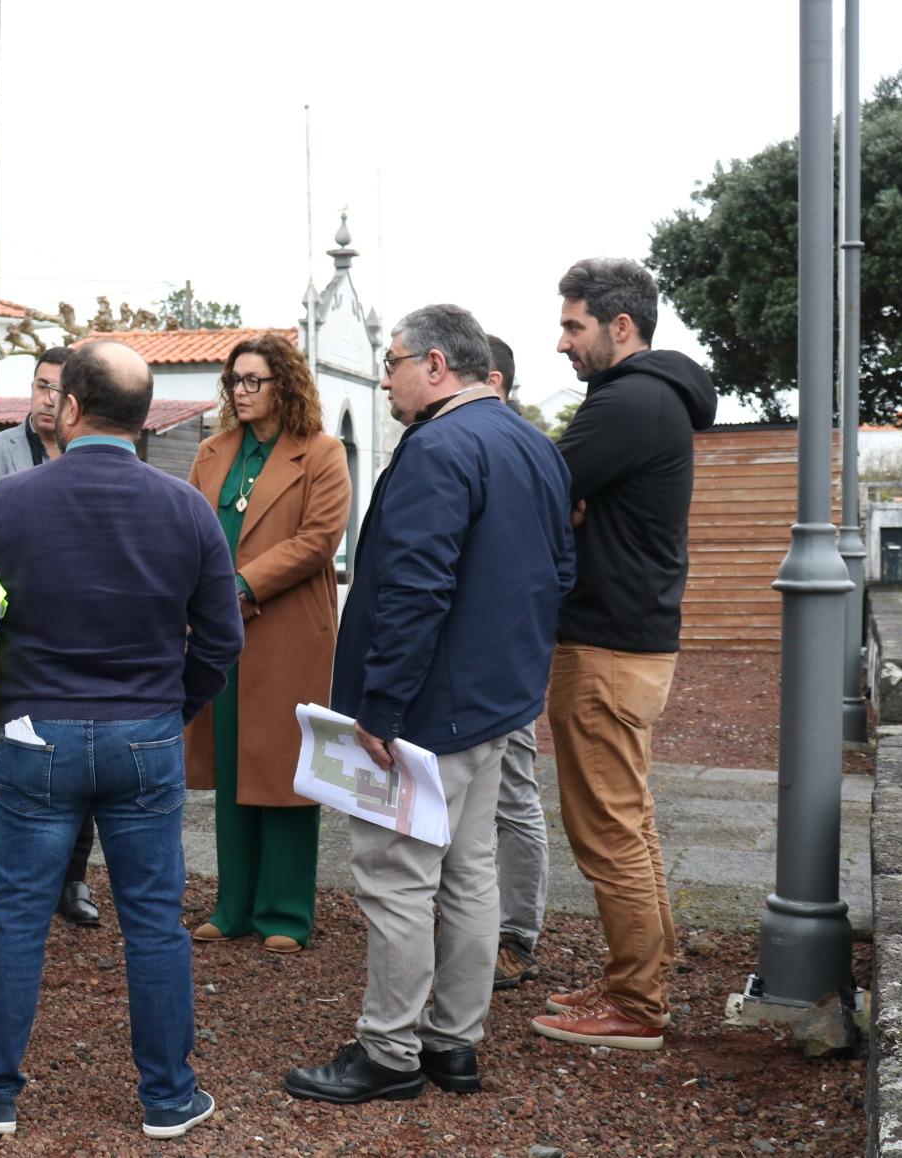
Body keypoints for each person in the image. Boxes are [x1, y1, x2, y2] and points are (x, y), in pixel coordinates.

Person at [0, 341, 243, 1140]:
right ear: (143, 422)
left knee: (16, 916)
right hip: (145, 731)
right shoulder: (187, 509)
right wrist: (176, 707)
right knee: (153, 920)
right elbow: (220, 637)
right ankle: (169, 1097)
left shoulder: (15, 497)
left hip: (36, 731)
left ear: (69, 408)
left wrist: (3, 694)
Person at [286, 304, 573, 1105]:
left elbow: (415, 589)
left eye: (395, 362)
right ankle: (454, 1042)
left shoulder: (437, 448)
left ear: (437, 367)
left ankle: (388, 1053)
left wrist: (380, 707)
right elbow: (559, 572)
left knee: (397, 875)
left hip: (427, 710)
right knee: (472, 871)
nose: (387, 378)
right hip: (497, 700)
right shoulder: (533, 444)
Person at [530, 258, 716, 1052]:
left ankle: (636, 1006)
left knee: (606, 829)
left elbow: (541, 490)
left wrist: (567, 504)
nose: (562, 341)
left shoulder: (630, 402)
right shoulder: (655, 400)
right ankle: (637, 977)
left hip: (606, 645)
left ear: (620, 326)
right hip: (634, 642)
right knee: (630, 823)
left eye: (573, 326)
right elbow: (564, 496)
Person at [183, 332, 349, 955]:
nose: (242, 392)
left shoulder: (323, 453)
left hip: (286, 630)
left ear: (286, 385)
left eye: (254, 380)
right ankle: (234, 906)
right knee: (230, 762)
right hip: (217, 630)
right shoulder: (212, 450)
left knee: (283, 768)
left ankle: (285, 910)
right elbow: (191, 527)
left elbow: (318, 541)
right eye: (234, 381)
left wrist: (242, 583)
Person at [0, 346, 101, 931]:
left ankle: (72, 879)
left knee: (85, 761)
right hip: (10, 640)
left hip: (81, 640)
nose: (47, 399)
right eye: (40, 386)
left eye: (58, 389)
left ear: (76, 401)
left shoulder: (95, 455)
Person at [485, 334, 548, 991]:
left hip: (506, 650)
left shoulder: (520, 450)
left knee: (513, 794)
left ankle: (517, 934)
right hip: (491, 649)